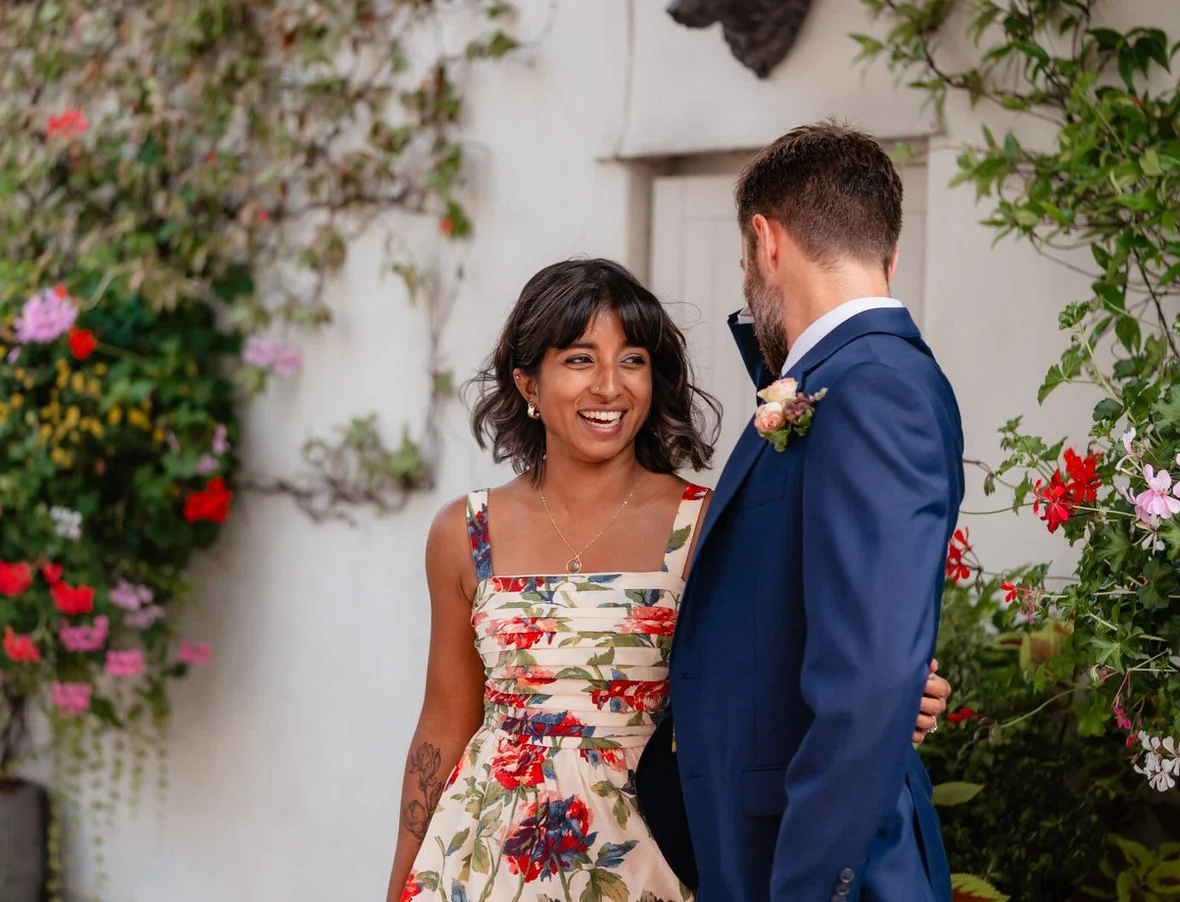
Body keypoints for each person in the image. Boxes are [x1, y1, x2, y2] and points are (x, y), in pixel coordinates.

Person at [386, 258, 953, 902]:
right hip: (484, 857)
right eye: (578, 359)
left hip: (656, 846)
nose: (609, 386)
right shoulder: (463, 532)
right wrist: (402, 877)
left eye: (632, 360)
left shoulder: (707, 522)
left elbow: (782, 665)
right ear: (528, 384)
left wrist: (893, 690)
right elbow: (443, 722)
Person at [638, 122, 963, 902]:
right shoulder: (841, 376)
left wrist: (809, 884)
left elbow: (873, 673)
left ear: (766, 241)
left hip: (820, 868)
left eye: (744, 262)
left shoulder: (876, 385)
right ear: (888, 253)